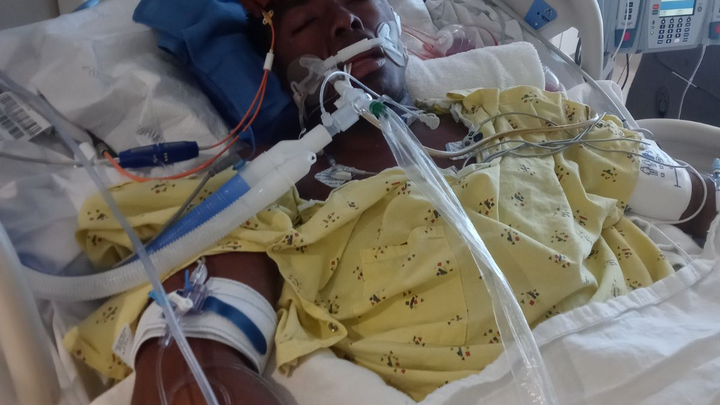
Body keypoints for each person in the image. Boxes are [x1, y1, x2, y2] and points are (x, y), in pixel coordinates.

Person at [62, 0, 718, 403]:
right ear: (277, 71)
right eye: (306, 21)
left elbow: (697, 202)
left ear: (398, 26)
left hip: (669, 348)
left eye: (357, 2)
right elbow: (195, 366)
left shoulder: (523, 113)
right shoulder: (274, 200)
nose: (343, 20)